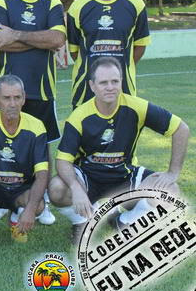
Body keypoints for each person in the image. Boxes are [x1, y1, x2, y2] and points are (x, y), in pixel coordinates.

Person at [49, 57, 190, 244]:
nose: (110, 87)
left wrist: (173, 172)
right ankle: (82, 222)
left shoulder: (137, 107)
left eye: (115, 81)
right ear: (92, 86)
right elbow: (62, 160)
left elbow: (181, 129)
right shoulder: (79, 116)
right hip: (89, 179)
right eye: (103, 82)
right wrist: (76, 188)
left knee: (170, 191)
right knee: (57, 188)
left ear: (121, 82)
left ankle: (124, 222)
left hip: (125, 177)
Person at [0, 0, 67, 225]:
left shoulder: (52, 2)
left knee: (42, 148)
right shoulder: (2, 1)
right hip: (7, 93)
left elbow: (57, 39)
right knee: (2, 146)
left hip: (42, 90)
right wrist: (38, 40)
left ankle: (41, 203)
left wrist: (17, 34)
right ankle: (2, 200)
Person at [0, 75, 48, 250]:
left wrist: (30, 210)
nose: (12, 104)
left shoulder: (36, 126)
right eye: (6, 98)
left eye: (17, 97)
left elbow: (42, 174)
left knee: (39, 206)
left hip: (21, 189)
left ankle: (14, 220)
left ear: (24, 98)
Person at [67, 0, 151, 108]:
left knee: (125, 124)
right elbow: (75, 51)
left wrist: (120, 66)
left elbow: (140, 46)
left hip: (123, 87)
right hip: (85, 89)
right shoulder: (78, 7)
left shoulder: (135, 4)